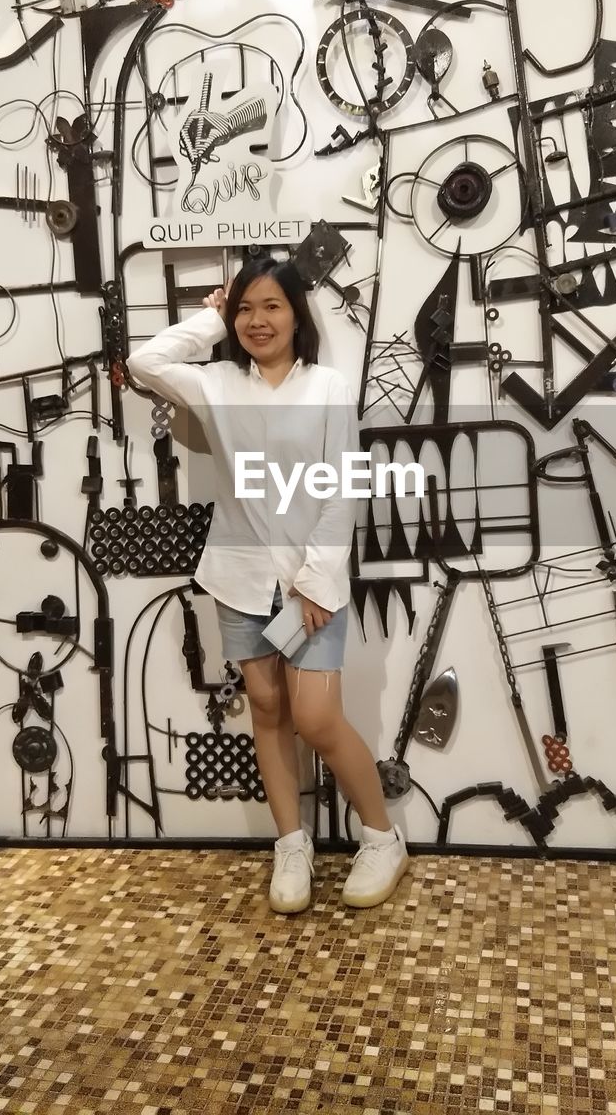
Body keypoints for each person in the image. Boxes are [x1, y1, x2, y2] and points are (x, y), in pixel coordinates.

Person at [126, 257, 409, 913]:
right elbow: (145, 362)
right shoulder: (218, 383)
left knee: (316, 717)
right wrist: (207, 317)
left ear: (296, 315)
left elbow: (341, 490)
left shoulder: (328, 387)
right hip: (238, 576)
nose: (258, 320)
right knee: (266, 708)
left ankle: (380, 837)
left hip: (312, 584)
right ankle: (291, 844)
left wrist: (315, 581)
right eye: (245, 308)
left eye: (271, 307)